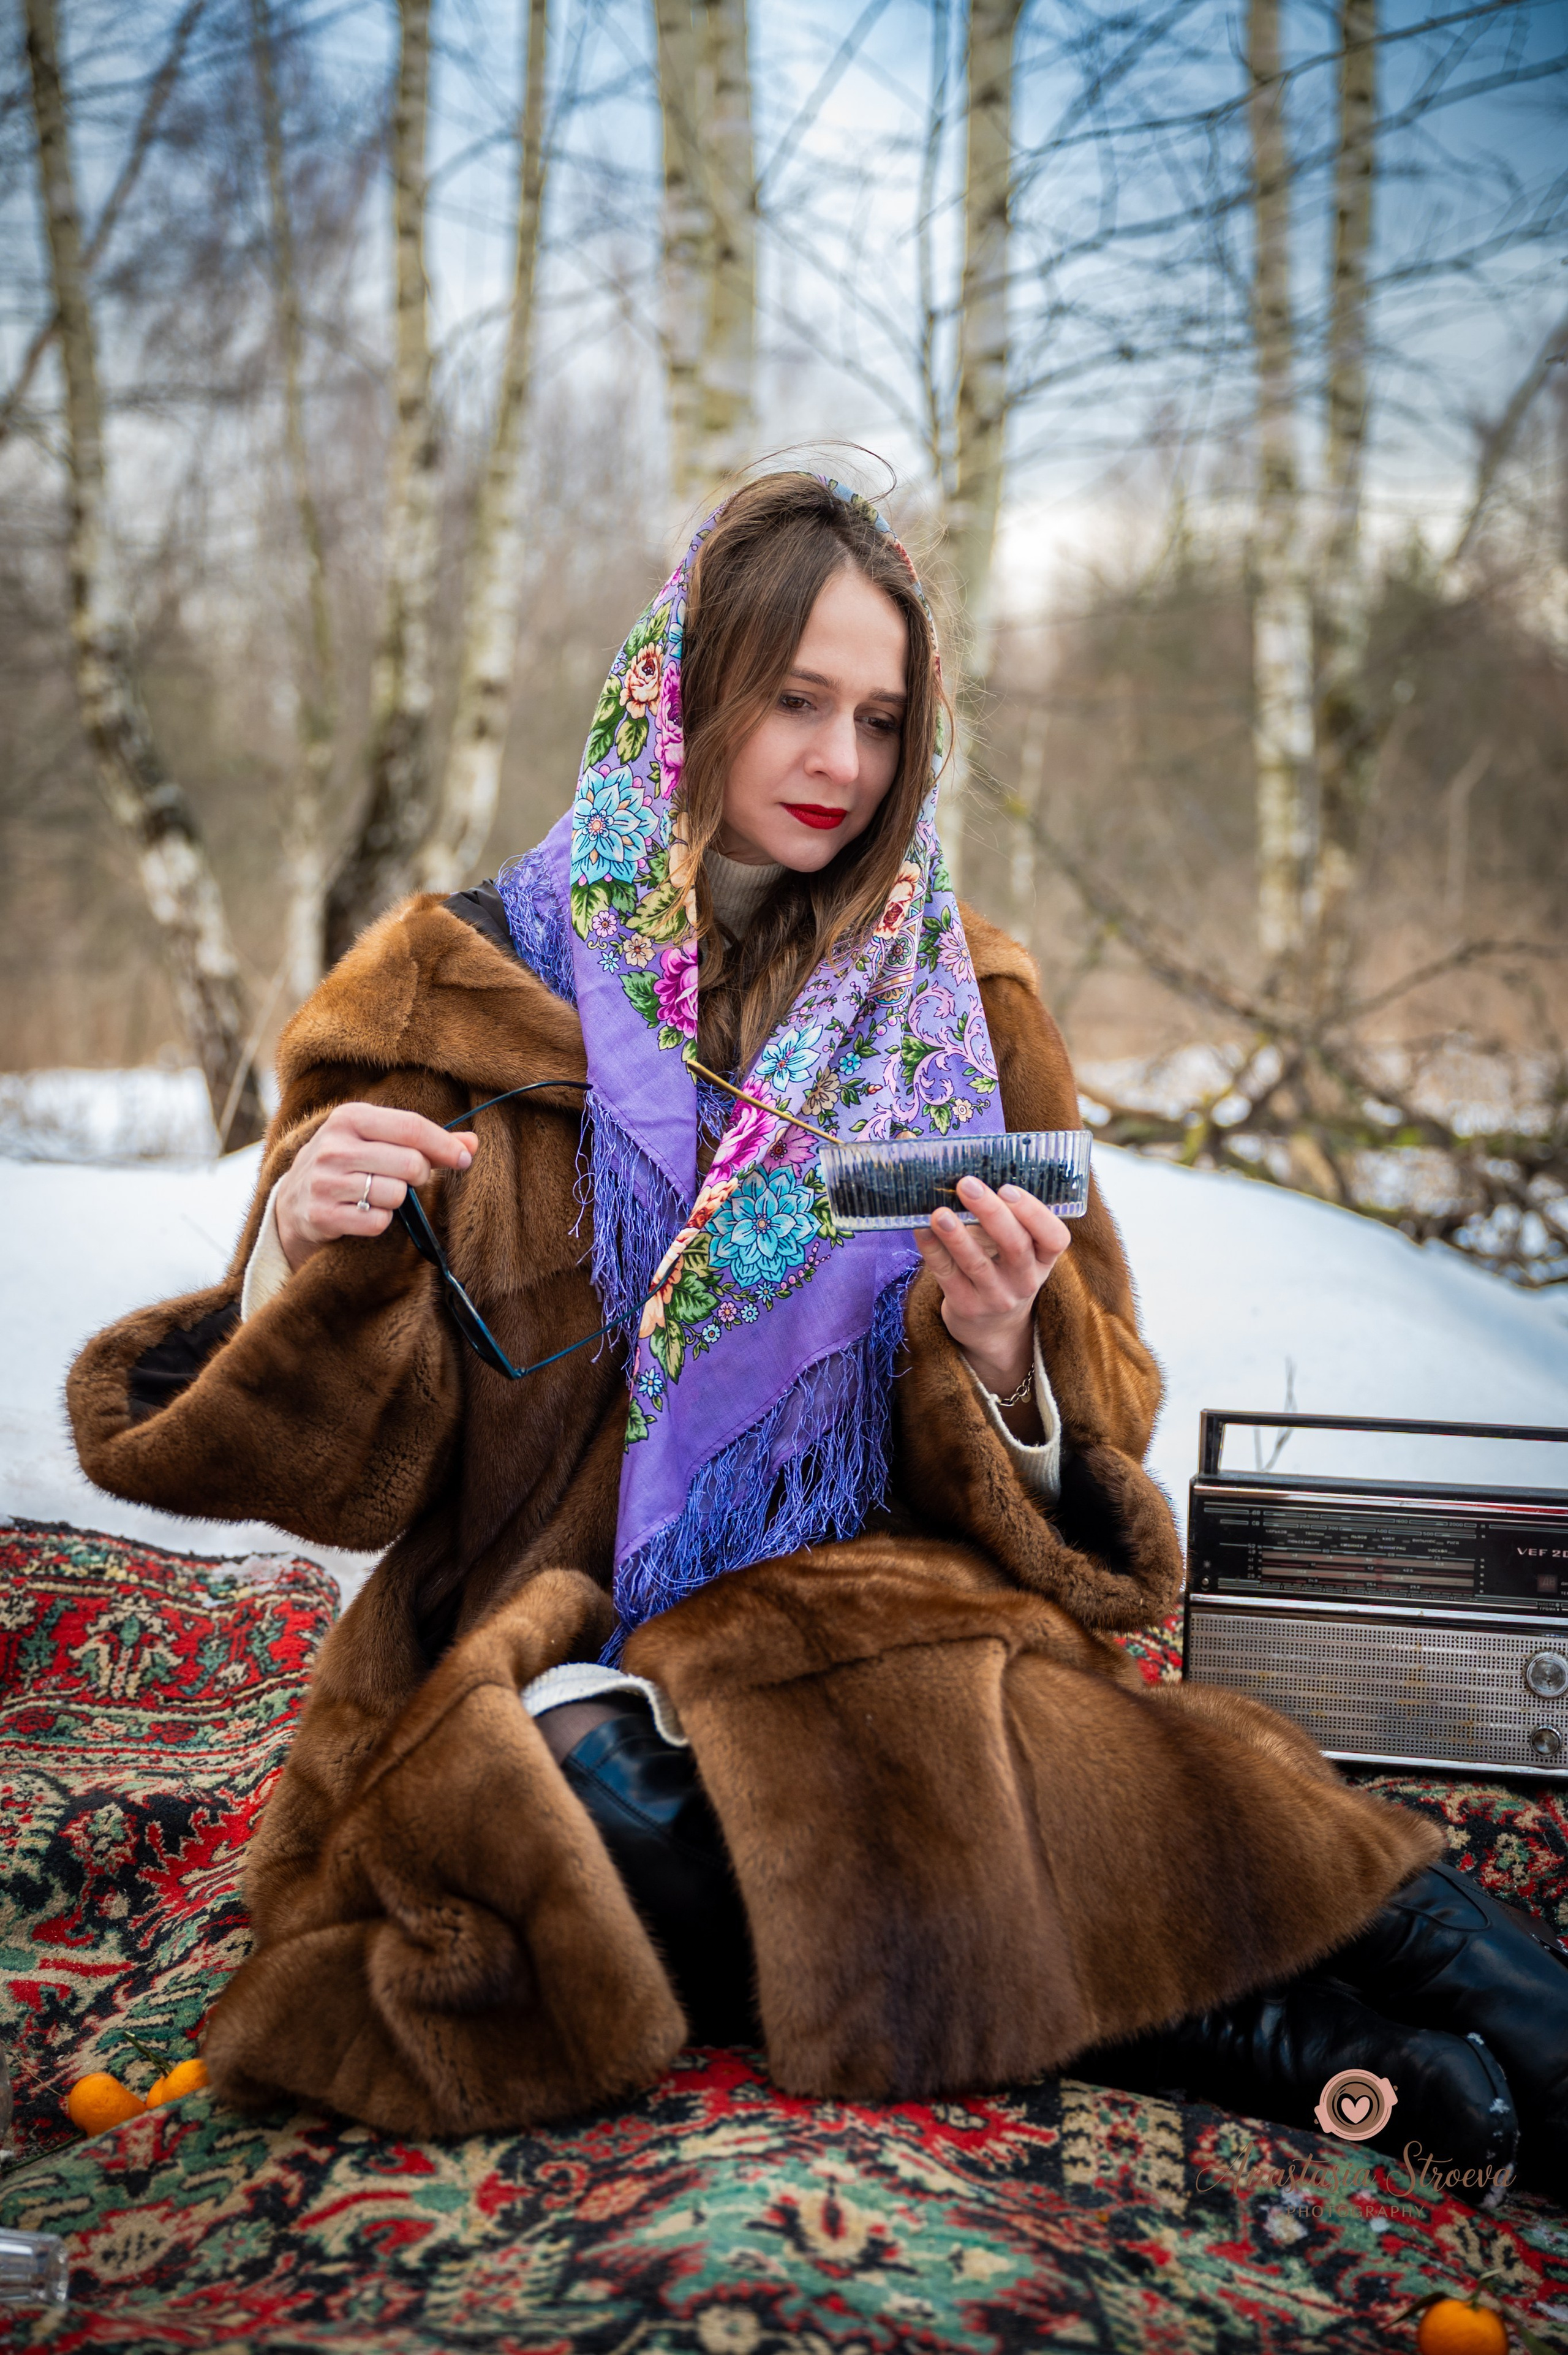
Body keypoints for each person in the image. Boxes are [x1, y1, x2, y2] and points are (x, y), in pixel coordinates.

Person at [68, 474, 1565, 2194]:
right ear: (686, 684)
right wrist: (300, 1259)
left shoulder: (963, 1000)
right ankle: (1283, 2040)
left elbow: (1104, 1428)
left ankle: (1413, 2047)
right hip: (559, 1659)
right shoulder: (448, 986)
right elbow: (336, 1472)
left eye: (880, 717)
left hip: (891, 1627)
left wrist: (1007, 1362)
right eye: (796, 698)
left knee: (1208, 1802)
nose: (840, 760)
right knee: (583, 1808)